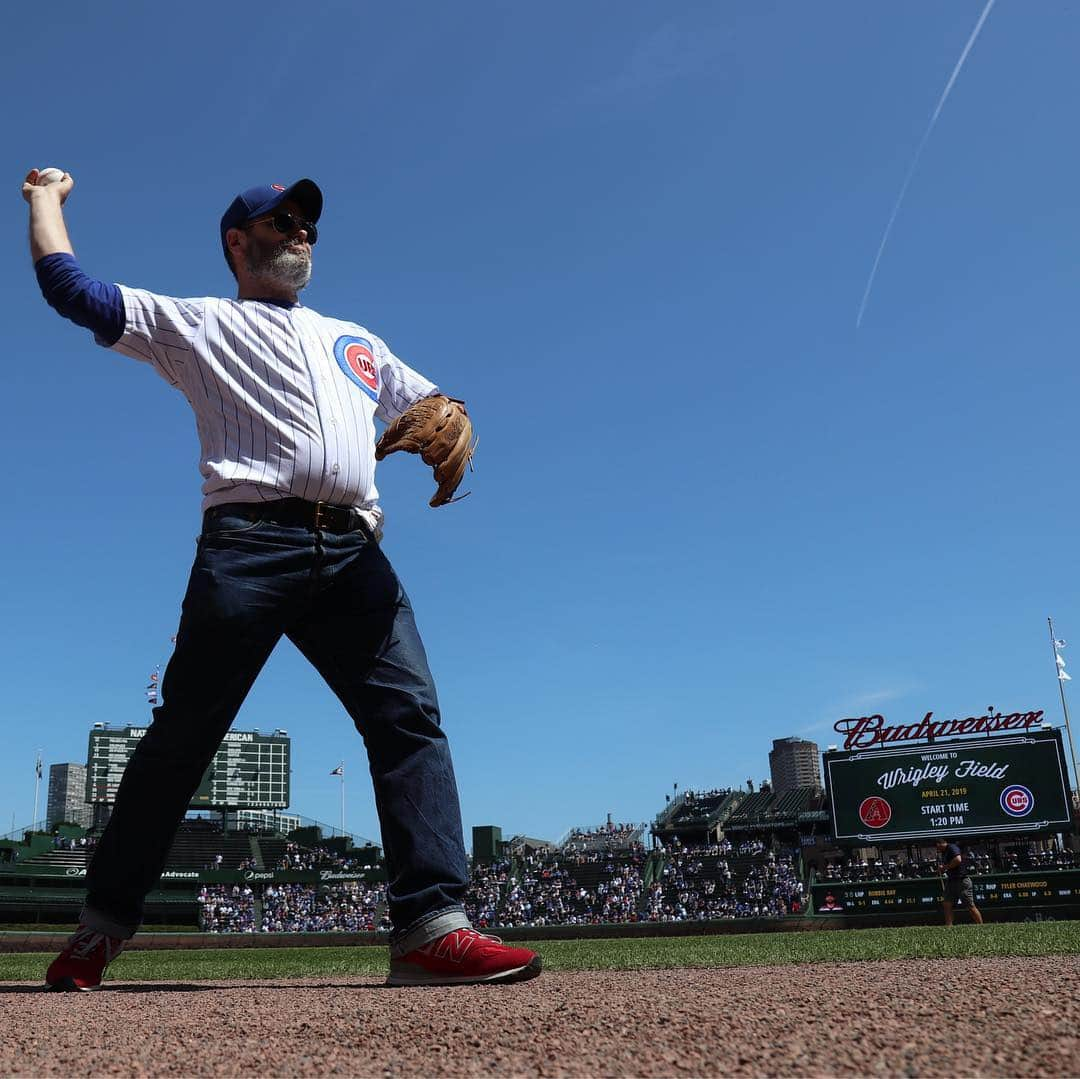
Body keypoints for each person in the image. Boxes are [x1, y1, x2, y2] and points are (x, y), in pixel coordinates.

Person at [23, 168, 541, 990]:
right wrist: (44, 200)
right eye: (281, 218)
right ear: (238, 240)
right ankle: (102, 925)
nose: (301, 229)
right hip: (247, 545)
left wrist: (457, 409)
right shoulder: (199, 323)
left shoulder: (354, 339)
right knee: (182, 739)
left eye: (307, 221)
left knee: (408, 717)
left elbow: (431, 399)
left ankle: (432, 926)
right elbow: (71, 289)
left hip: (352, 552)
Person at [935, 837, 983, 927]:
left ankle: (980, 925)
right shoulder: (944, 852)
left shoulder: (952, 847)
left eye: (937, 847)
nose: (937, 850)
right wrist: (942, 869)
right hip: (951, 880)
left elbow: (958, 860)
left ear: (940, 844)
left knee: (970, 906)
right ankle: (949, 926)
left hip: (962, 880)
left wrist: (945, 867)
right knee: (946, 903)